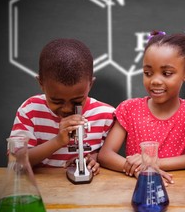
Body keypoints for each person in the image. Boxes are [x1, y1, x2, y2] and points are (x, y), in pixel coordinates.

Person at [98, 30, 185, 182]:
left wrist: (153, 163)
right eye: (148, 73)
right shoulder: (129, 109)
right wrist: (140, 170)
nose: (155, 81)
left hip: (181, 187)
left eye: (166, 73)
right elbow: (106, 154)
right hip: (139, 187)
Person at [10, 38, 115, 175]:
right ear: (41, 83)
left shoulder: (106, 115)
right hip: (42, 191)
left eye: (77, 101)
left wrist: (92, 160)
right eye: (57, 101)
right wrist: (58, 141)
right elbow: (14, 162)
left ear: (90, 84)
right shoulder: (30, 111)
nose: (66, 109)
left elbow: (106, 156)